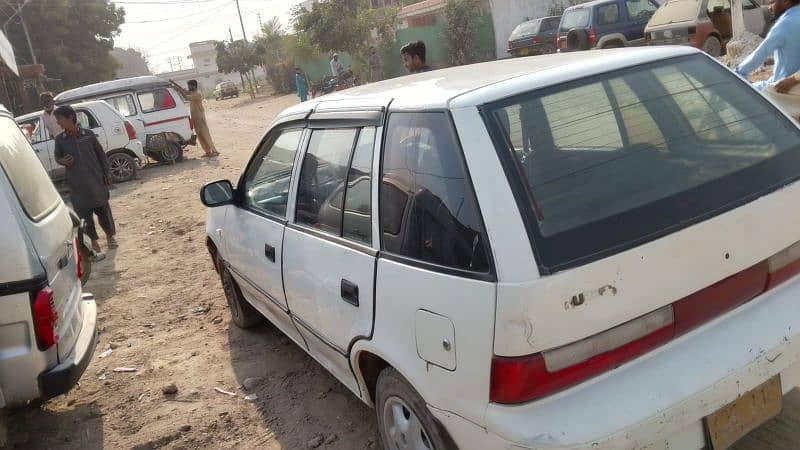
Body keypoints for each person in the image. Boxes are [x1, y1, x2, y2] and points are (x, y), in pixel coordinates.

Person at [53, 105, 118, 253]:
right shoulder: (60, 140)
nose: (58, 123)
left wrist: (107, 173)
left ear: (70, 118)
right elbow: (57, 157)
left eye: (60, 119)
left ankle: (110, 237)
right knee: (84, 216)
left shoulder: (88, 135)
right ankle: (94, 242)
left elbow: (101, 155)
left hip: (96, 181)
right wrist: (64, 161)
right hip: (77, 185)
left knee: (103, 212)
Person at [735, 0, 800, 90]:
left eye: (773, 1)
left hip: (785, 88)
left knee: (749, 92)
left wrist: (738, 72)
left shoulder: (785, 23)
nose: (770, 7)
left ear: (786, 1)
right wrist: (776, 60)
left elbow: (760, 53)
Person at [168, 79, 219, 157]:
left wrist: (179, 90)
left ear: (194, 86)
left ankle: (214, 151)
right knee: (199, 135)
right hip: (195, 117)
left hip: (200, 117)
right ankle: (208, 152)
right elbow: (185, 92)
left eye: (189, 86)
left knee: (205, 134)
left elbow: (186, 97)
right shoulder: (193, 93)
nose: (188, 87)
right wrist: (175, 84)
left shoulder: (197, 94)